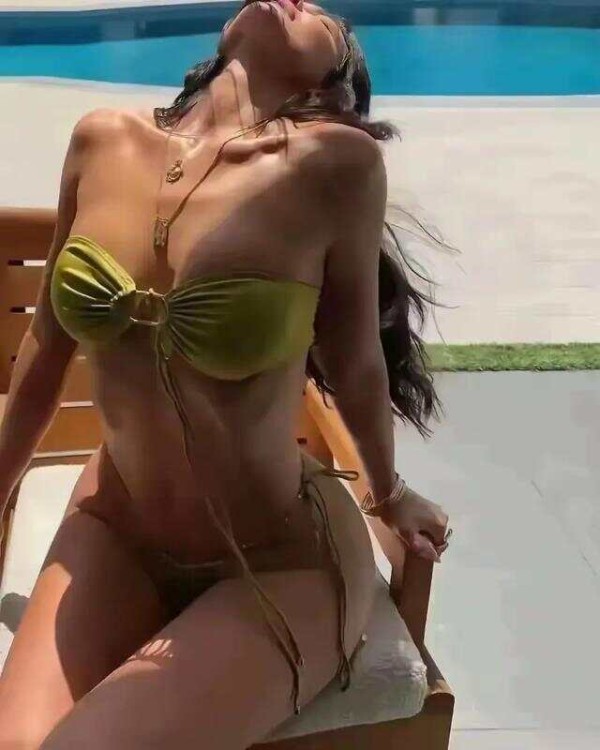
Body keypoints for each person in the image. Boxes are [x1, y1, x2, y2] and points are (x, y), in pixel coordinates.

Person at [0, 1, 452, 746]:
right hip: (115, 527)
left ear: (332, 86)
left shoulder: (335, 164)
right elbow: (46, 344)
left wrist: (390, 493)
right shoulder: (101, 139)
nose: (297, 1)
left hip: (276, 563)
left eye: (325, 17)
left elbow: (355, 360)